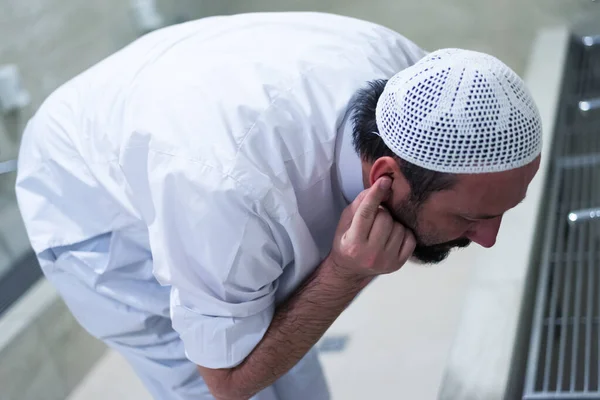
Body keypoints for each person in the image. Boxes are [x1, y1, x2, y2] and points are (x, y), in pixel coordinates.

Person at [15, 11, 542, 400]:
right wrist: (342, 274)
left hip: (174, 97)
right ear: (386, 175)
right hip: (87, 197)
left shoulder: (427, 86)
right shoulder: (228, 193)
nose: (489, 238)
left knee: (287, 359)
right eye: (472, 219)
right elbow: (226, 380)